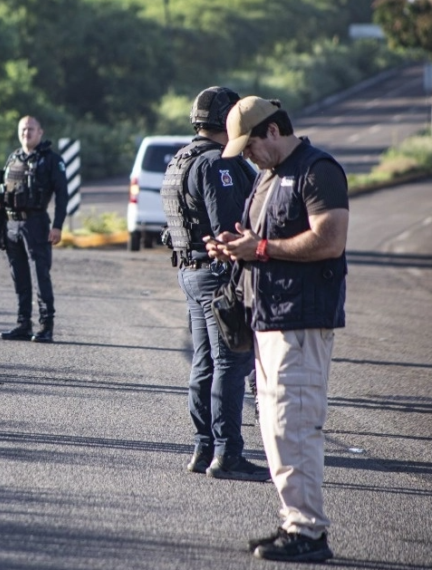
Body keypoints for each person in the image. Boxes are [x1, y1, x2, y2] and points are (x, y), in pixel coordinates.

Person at [208, 96, 349, 563]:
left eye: (250, 146)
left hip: (301, 320)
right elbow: (260, 243)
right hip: (266, 318)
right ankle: (294, 523)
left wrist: (260, 248)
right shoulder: (267, 177)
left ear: (273, 130)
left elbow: (330, 239)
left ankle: (309, 533)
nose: (247, 156)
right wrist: (235, 249)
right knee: (273, 429)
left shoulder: (318, 170)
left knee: (295, 425)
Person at [161, 86, 268, 482]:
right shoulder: (216, 165)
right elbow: (228, 229)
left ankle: (203, 447)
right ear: (226, 120)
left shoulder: (180, 159)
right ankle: (227, 453)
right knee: (230, 363)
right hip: (217, 275)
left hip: (191, 273)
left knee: (205, 362)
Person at [0, 116, 68, 343]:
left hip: (36, 224)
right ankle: (23, 324)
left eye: (31, 129)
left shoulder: (51, 160)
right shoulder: (13, 159)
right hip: (11, 225)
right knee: (19, 277)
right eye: (23, 129)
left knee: (40, 276)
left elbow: (62, 195)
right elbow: (0, 194)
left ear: (40, 132)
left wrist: (57, 225)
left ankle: (46, 326)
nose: (26, 133)